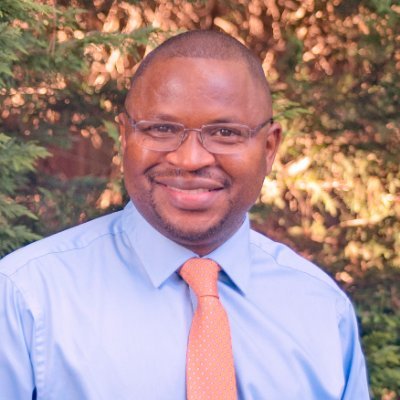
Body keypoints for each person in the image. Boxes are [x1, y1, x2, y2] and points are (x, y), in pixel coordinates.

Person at [0, 30, 369, 399]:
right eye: (162, 129)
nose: (191, 159)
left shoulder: (322, 309)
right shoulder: (26, 299)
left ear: (269, 147)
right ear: (125, 137)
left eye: (225, 132)